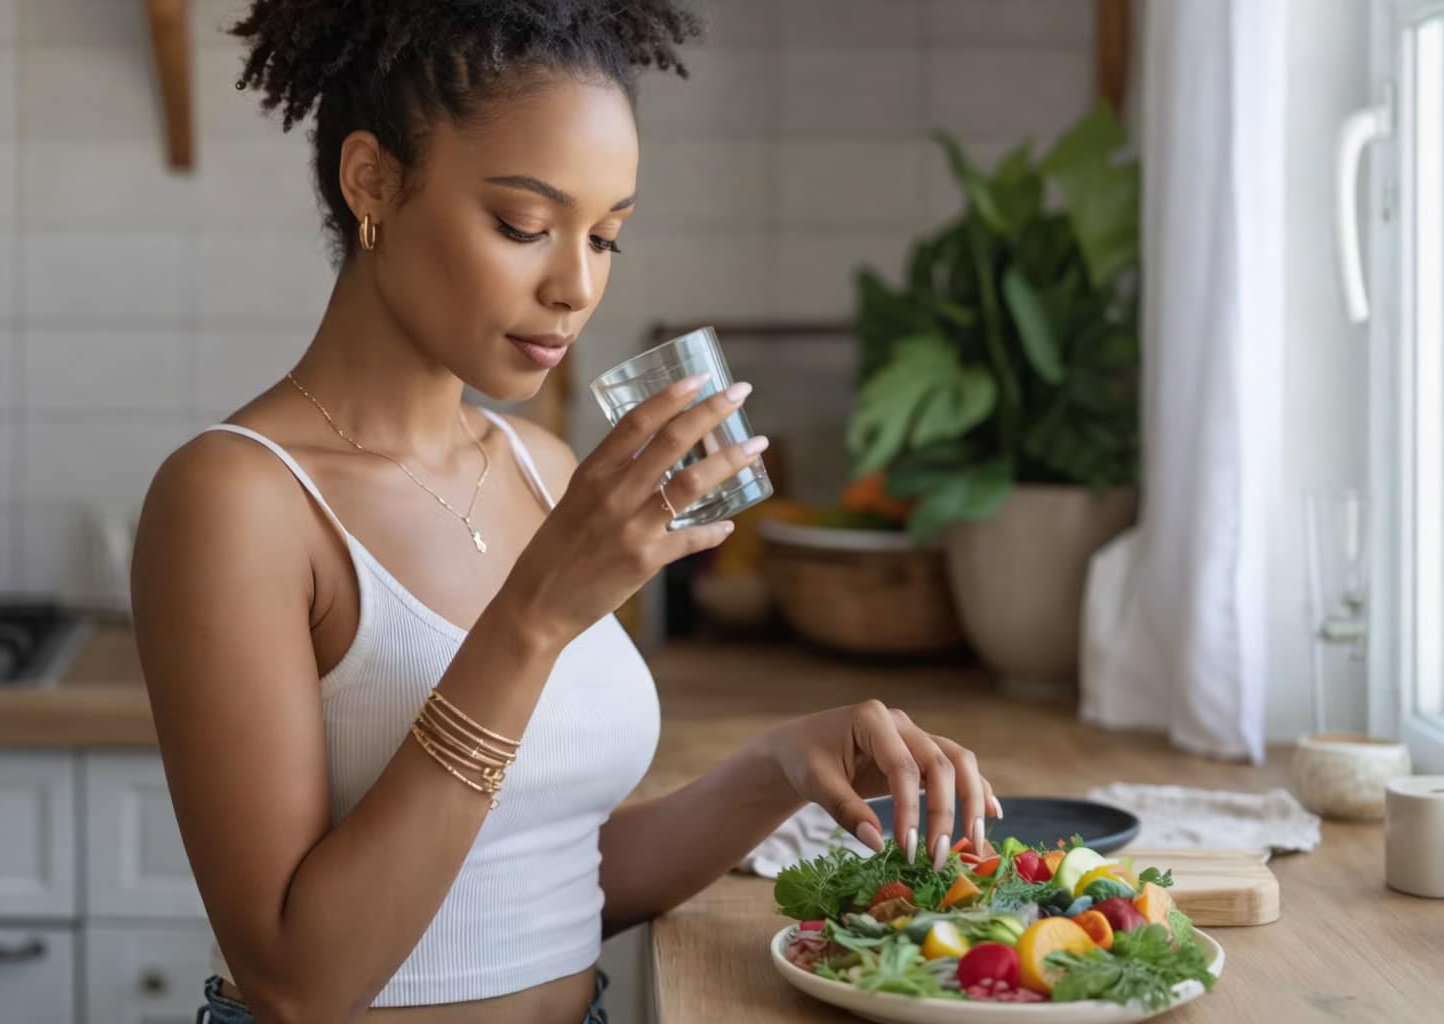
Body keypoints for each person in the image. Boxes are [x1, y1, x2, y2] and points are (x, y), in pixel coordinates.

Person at [130, 2, 1000, 1022]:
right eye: (523, 226)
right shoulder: (236, 501)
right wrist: (533, 615)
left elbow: (540, 876)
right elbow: (297, 982)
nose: (575, 285)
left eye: (606, 237)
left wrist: (777, 768)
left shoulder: (543, 468)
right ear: (371, 181)